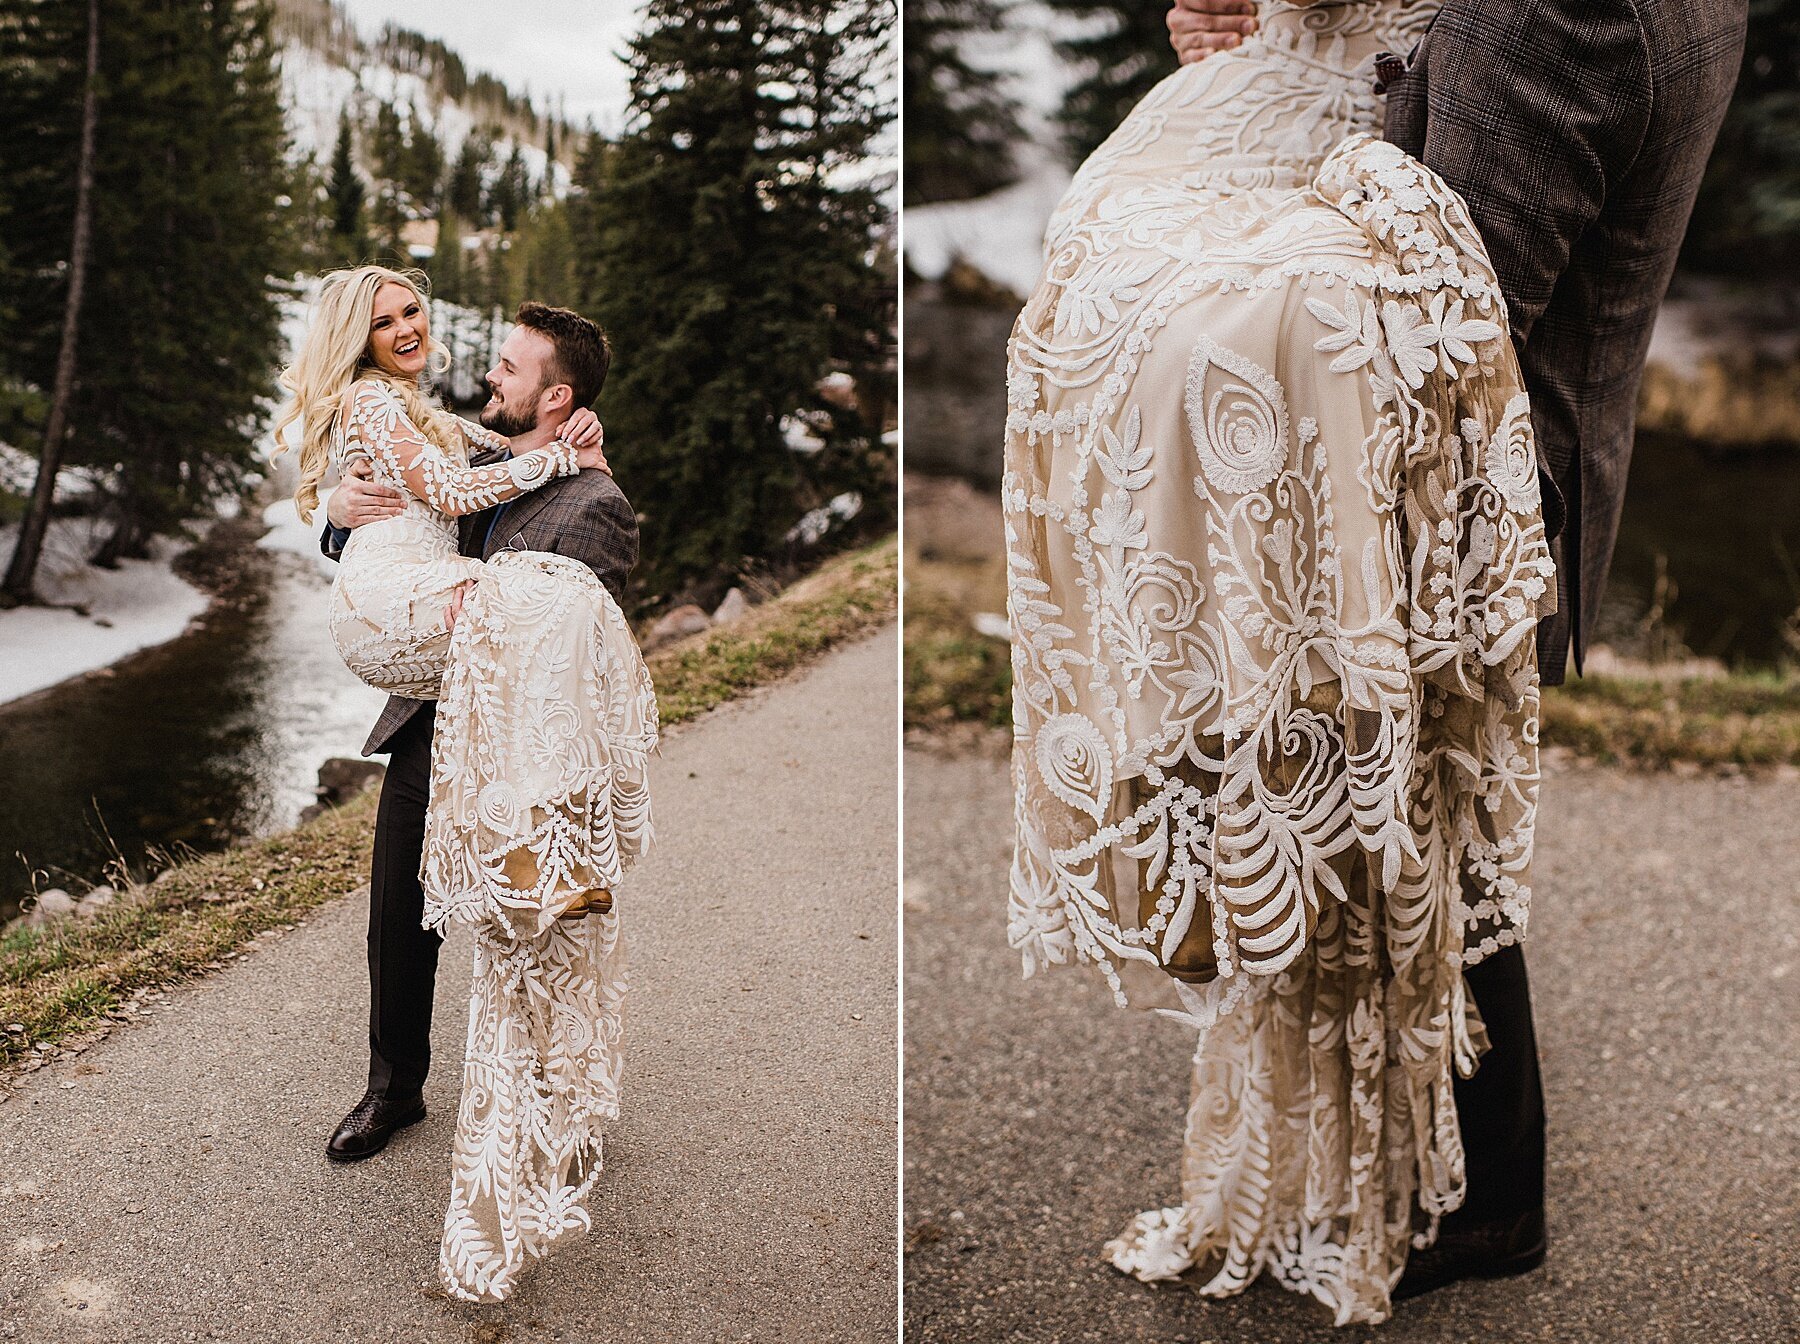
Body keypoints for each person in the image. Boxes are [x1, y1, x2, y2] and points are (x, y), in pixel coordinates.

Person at [1165, 0, 1745, 1302]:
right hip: (1528, 454)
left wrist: (1238, 156)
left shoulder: (1553, 7)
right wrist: (1277, 54)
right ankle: (1450, 1174)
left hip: (1467, 492)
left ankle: (1478, 1201)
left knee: (1422, 826)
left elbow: (1434, 310)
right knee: (1422, 823)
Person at [1003, 1, 1558, 1324]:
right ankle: (1424, 1171)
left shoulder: (1528, 32)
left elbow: (1501, 242)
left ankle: (1480, 1191)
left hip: (1375, 255)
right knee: (1344, 789)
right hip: (1292, 143)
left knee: (1385, 792)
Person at [277, 268, 657, 1302]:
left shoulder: (597, 502)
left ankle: (552, 1107)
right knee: (399, 917)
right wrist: (335, 513)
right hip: (428, 730)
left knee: (529, 933)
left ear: (558, 402)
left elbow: (576, 627)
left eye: (511, 368)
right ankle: (392, 1089)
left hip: (521, 757)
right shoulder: (447, 425)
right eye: (391, 319)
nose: (473, 366)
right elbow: (412, 504)